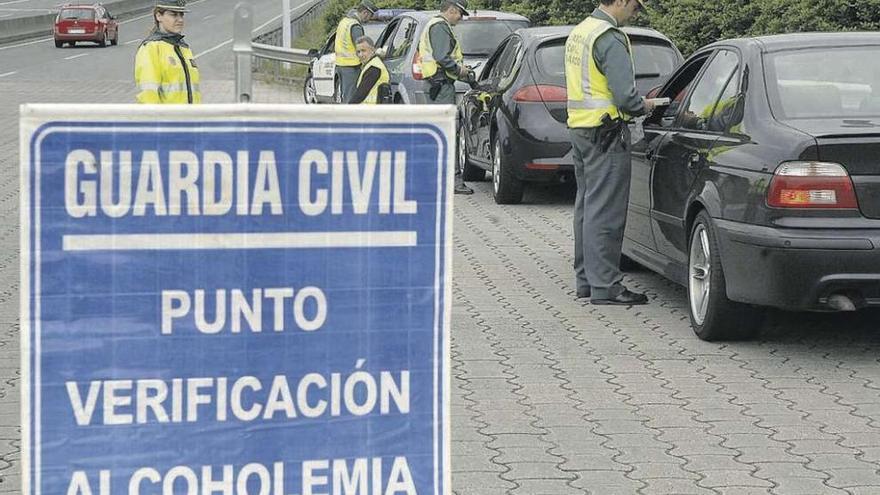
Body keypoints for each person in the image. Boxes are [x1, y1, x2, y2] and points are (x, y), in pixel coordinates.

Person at [565, 0, 656, 305]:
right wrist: (647, 105)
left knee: (587, 207)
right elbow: (626, 98)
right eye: (634, 5)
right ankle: (606, 286)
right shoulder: (609, 37)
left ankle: (587, 281)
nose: (636, 11)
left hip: (581, 130)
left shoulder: (581, 31)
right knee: (606, 211)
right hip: (606, 133)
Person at [417, 0, 474, 195]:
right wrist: (460, 70)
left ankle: (435, 180)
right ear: (452, 10)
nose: (461, 18)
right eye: (460, 14)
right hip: (440, 87)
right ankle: (452, 183)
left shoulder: (433, 25)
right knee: (448, 133)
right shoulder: (440, 27)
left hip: (437, 85)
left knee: (439, 132)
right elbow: (442, 57)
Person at [134, 0, 201, 104]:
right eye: (173, 14)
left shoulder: (184, 48)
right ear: (158, 16)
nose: (180, 20)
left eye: (181, 15)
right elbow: (148, 95)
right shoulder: (151, 48)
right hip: (167, 119)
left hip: (190, 118)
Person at [334, 0, 377, 103]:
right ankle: (349, 118)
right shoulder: (355, 26)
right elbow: (362, 47)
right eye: (370, 16)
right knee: (351, 98)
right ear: (365, 12)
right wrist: (375, 54)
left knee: (346, 96)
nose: (369, 19)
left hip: (340, 64)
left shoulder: (344, 22)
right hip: (351, 67)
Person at [349, 37, 390, 104]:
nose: (360, 55)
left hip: (371, 111)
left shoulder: (374, 67)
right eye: (358, 52)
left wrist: (348, 108)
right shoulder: (372, 64)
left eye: (363, 51)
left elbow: (360, 95)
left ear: (372, 50)